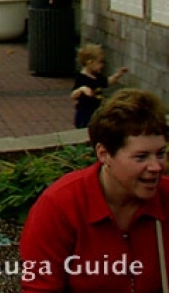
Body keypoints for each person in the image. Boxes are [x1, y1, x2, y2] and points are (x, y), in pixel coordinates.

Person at [20, 88, 169, 292]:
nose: (156, 167)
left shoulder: (165, 196)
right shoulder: (60, 205)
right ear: (104, 153)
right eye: (141, 157)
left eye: (160, 153)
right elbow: (40, 287)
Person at [72, 43, 128, 129]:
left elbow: (107, 82)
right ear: (89, 62)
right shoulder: (81, 78)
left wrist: (119, 74)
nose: (101, 66)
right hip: (85, 112)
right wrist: (82, 89)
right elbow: (73, 95)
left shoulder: (97, 76)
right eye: (99, 63)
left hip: (97, 110)